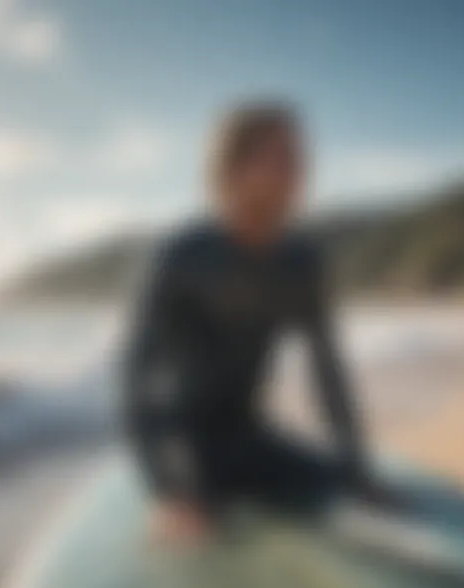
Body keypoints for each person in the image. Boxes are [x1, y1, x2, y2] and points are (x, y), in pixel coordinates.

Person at [123, 102, 390, 543]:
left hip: (249, 436)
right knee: (205, 531)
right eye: (281, 155)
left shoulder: (301, 261)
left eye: (301, 157)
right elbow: (136, 375)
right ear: (233, 167)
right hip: (183, 445)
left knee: (343, 488)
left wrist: (356, 467)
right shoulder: (183, 255)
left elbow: (328, 370)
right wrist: (165, 491)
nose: (299, 168)